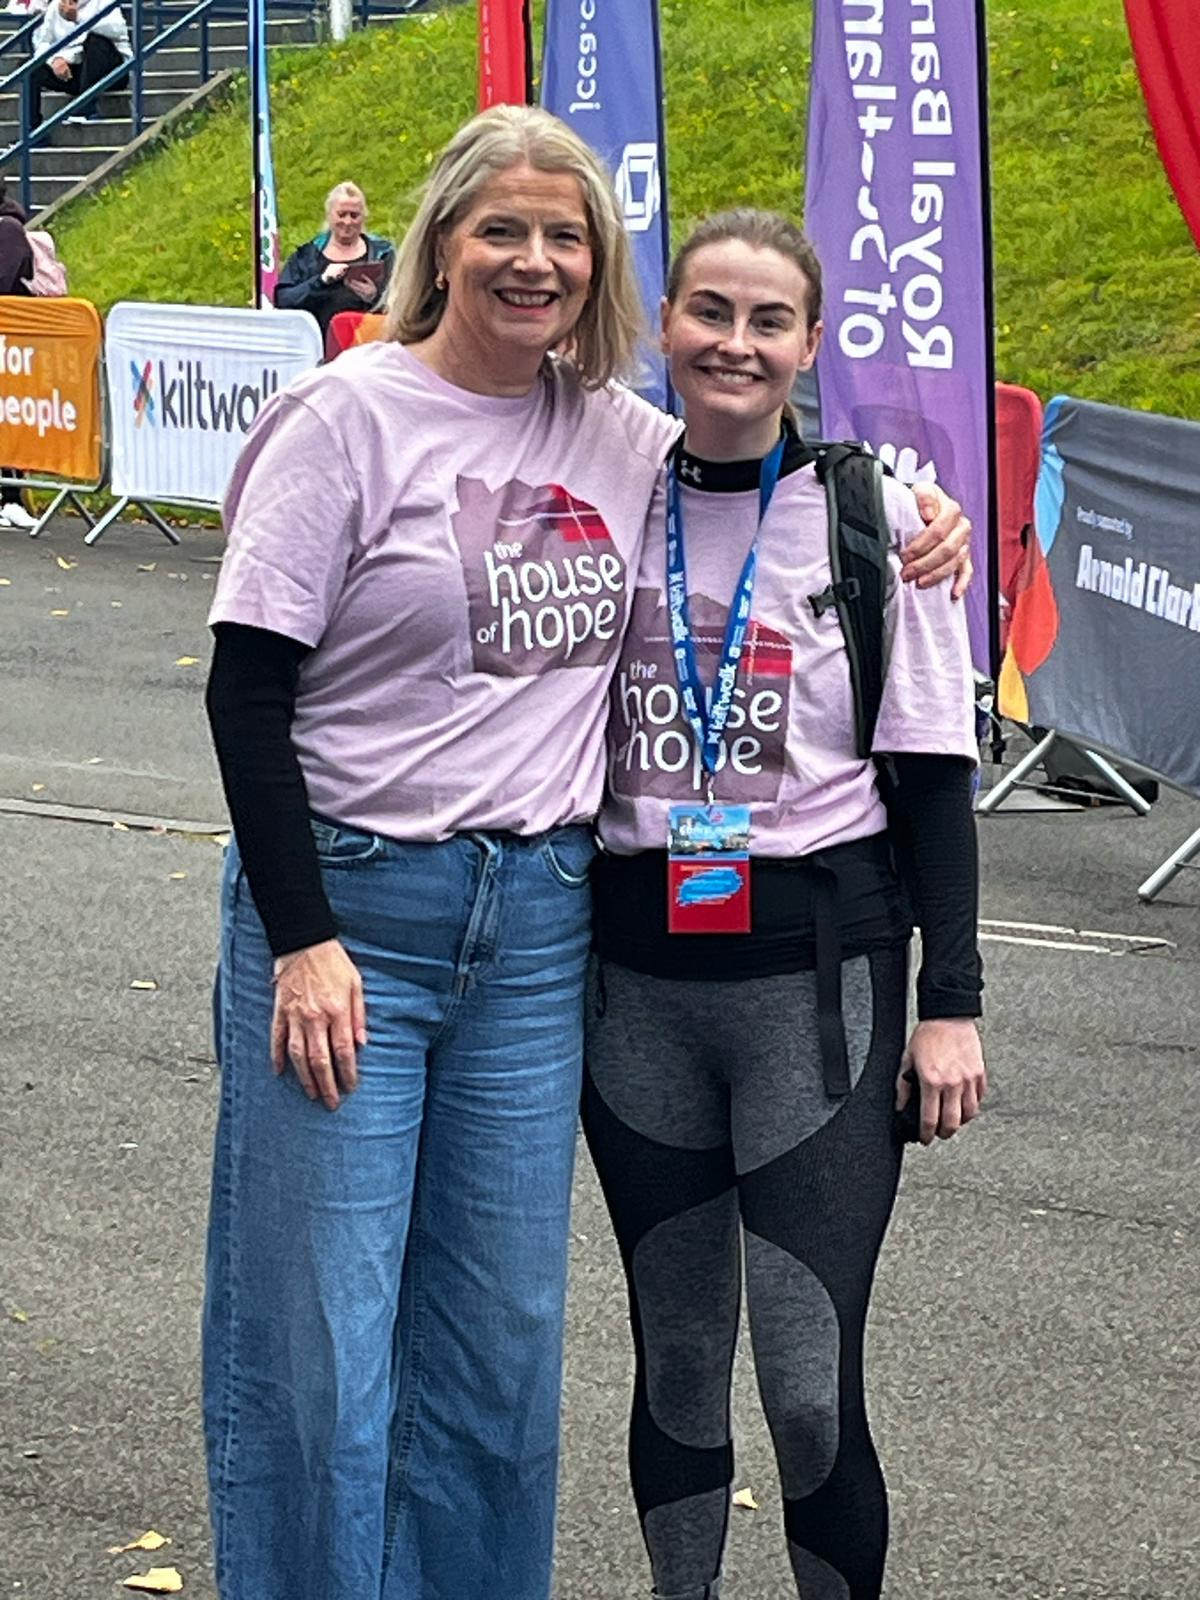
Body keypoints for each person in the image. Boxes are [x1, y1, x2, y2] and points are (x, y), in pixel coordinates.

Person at [202, 108, 971, 1600]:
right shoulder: (347, 417)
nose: (535, 261)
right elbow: (245, 690)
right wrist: (301, 935)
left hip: (541, 926)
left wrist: (919, 506)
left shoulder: (619, 436)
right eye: (503, 229)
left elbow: (773, 456)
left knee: (500, 1347)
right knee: (321, 1343)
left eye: (566, 236)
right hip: (354, 915)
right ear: (443, 242)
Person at [583, 209, 988, 1600]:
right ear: (665, 323)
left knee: (809, 1388)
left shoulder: (883, 516)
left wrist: (953, 1004)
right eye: (709, 311)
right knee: (679, 1361)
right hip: (634, 983)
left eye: (768, 321)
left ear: (810, 343)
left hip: (819, 987)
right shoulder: (606, 488)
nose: (735, 344)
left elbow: (933, 776)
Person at [273, 181, 395, 337]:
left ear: (363, 217)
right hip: (318, 343)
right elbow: (283, 299)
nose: (348, 222)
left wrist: (375, 297)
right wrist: (321, 281)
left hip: (367, 343)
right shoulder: (308, 256)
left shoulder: (383, 254)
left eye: (354, 215)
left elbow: (403, 302)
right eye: (341, 214)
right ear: (329, 215)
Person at [28, 0, 131, 126]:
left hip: (112, 71)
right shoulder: (56, 6)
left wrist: (78, 18)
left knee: (95, 41)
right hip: (74, 72)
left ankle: (85, 108)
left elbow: (116, 29)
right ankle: (31, 129)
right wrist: (54, 60)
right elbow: (42, 42)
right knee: (29, 69)